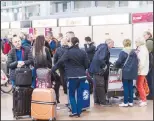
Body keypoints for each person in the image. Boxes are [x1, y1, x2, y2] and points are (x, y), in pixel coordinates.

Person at [52, 37, 89, 117]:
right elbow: (87, 65)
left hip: (72, 77)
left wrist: (52, 70)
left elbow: (60, 62)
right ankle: (79, 112)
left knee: (71, 95)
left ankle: (74, 112)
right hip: (82, 76)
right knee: (79, 95)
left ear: (71, 43)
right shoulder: (83, 52)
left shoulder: (68, 52)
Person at [89, 39, 114, 106]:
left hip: (94, 69)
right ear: (109, 43)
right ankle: (103, 102)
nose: (113, 46)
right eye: (112, 44)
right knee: (100, 85)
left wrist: (108, 63)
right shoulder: (104, 48)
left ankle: (97, 101)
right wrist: (105, 66)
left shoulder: (100, 47)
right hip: (98, 69)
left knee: (96, 85)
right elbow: (101, 59)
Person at [114, 39, 138, 107]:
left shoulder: (123, 52)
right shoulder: (134, 52)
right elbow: (136, 62)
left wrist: (116, 65)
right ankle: (131, 102)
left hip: (125, 72)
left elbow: (119, 62)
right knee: (130, 87)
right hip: (132, 72)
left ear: (123, 44)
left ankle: (125, 102)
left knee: (125, 87)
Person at [135, 38, 149, 107]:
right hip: (142, 70)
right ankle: (142, 98)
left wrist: (139, 70)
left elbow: (142, 62)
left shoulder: (142, 50)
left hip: (141, 71)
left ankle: (144, 100)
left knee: (139, 85)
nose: (135, 43)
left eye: (136, 42)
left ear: (139, 42)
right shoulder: (143, 49)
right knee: (140, 85)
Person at [143, 31, 153, 100]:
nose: (144, 36)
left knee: (150, 80)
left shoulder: (149, 42)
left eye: (145, 35)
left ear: (149, 35)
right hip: (151, 64)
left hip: (150, 64)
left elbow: (147, 52)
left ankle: (150, 95)